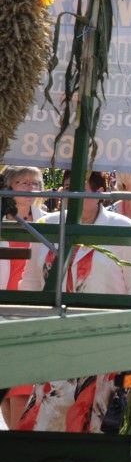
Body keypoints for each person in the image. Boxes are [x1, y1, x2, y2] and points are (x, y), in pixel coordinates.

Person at [18, 171, 131, 462]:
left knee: (99, 412)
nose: (71, 197)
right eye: (66, 189)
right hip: (56, 335)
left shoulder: (121, 228)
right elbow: (31, 280)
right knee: (53, 409)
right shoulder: (47, 226)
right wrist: (24, 325)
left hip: (105, 336)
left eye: (80, 190)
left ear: (100, 192)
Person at [0, 166, 47, 429]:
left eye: (35, 183)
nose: (31, 188)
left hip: (33, 310)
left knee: (22, 389)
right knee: (7, 389)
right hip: (4, 308)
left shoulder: (49, 221)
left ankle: (17, 442)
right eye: (23, 182)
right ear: (8, 187)